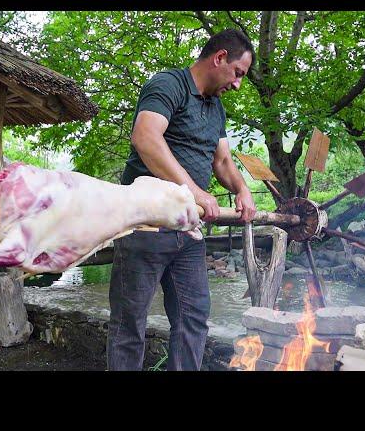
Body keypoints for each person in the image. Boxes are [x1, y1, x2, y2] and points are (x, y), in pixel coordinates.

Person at [107, 28, 257, 371]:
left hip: (188, 231)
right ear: (219, 58)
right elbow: (145, 137)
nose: (237, 84)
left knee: (194, 318)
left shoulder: (216, 108)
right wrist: (196, 192)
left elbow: (221, 161)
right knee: (129, 324)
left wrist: (242, 189)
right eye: (238, 73)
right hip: (143, 225)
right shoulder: (168, 85)